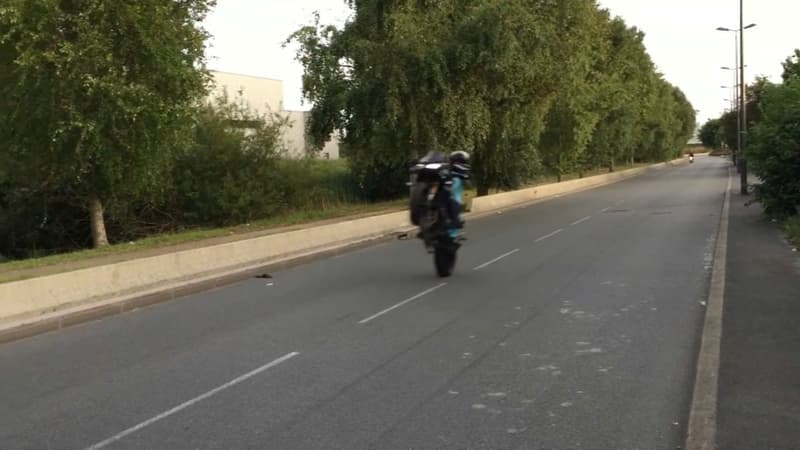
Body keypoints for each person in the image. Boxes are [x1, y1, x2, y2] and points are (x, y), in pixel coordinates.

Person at [446, 150, 470, 236]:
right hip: (456, 185)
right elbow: (467, 180)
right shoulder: (462, 166)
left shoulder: (449, 167)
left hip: (449, 185)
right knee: (456, 206)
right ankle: (452, 233)